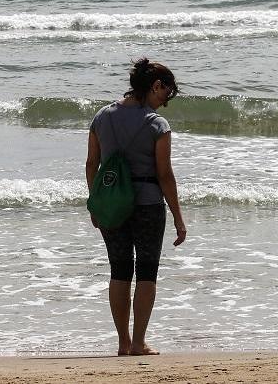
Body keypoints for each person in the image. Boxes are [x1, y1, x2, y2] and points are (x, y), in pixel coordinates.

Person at [85, 58, 186, 356]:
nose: (165, 103)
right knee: (146, 272)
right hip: (147, 205)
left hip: (112, 206)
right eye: (166, 94)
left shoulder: (101, 117)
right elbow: (165, 175)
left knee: (119, 271)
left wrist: (95, 203)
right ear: (156, 86)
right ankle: (139, 343)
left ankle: (122, 342)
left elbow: (92, 164)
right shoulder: (157, 124)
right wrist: (179, 218)